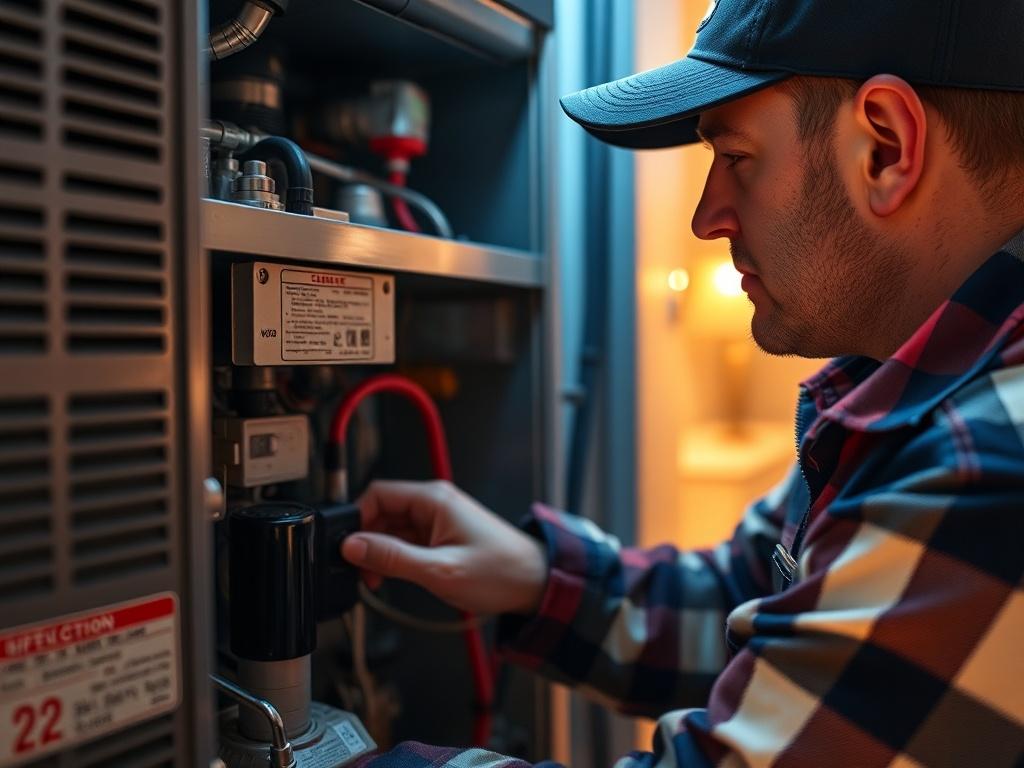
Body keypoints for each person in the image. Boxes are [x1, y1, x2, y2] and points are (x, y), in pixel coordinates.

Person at [343, 1, 1024, 765]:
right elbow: (754, 593)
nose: (706, 217)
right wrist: (536, 578)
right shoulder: (903, 396)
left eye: (735, 157)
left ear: (886, 147)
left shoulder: (989, 465)